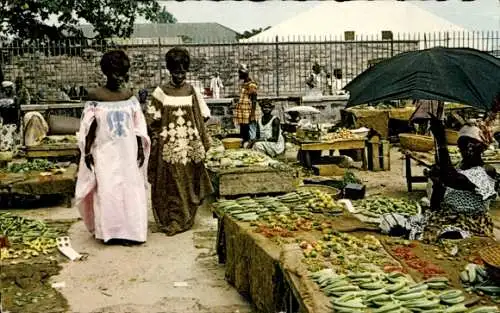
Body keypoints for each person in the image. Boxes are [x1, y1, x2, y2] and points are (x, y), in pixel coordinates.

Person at [74, 50, 151, 246]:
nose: (120, 78)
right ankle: (110, 233)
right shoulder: (96, 96)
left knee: (130, 190)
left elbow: (138, 126)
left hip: (128, 152)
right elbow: (89, 127)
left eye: (123, 73)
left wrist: (141, 149)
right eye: (115, 73)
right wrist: (88, 151)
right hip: (104, 151)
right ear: (106, 73)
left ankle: (132, 233)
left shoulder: (128, 96)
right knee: (108, 190)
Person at [146, 47, 213, 236]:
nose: (180, 76)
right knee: (171, 183)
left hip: (189, 147)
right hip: (169, 149)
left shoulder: (192, 91)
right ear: (169, 70)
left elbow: (203, 114)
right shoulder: (161, 92)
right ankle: (173, 220)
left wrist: (196, 134)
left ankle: (186, 217)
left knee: (189, 181)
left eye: (183, 72)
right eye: (176, 72)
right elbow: (151, 119)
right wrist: (160, 137)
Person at [423, 115, 497, 241]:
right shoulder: (456, 168)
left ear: (482, 146)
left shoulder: (487, 171)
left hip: (471, 223)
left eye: (473, 144)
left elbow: (453, 179)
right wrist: (437, 183)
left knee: (447, 238)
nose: (468, 148)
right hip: (446, 218)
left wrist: (441, 142)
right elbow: (435, 206)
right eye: (463, 144)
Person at [233, 64, 259, 144]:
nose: (239, 75)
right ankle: (244, 142)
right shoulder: (245, 83)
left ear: (245, 73)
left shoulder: (251, 84)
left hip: (248, 110)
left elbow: (254, 99)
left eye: (240, 73)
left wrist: (252, 114)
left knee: (248, 128)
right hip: (243, 110)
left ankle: (249, 143)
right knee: (243, 127)